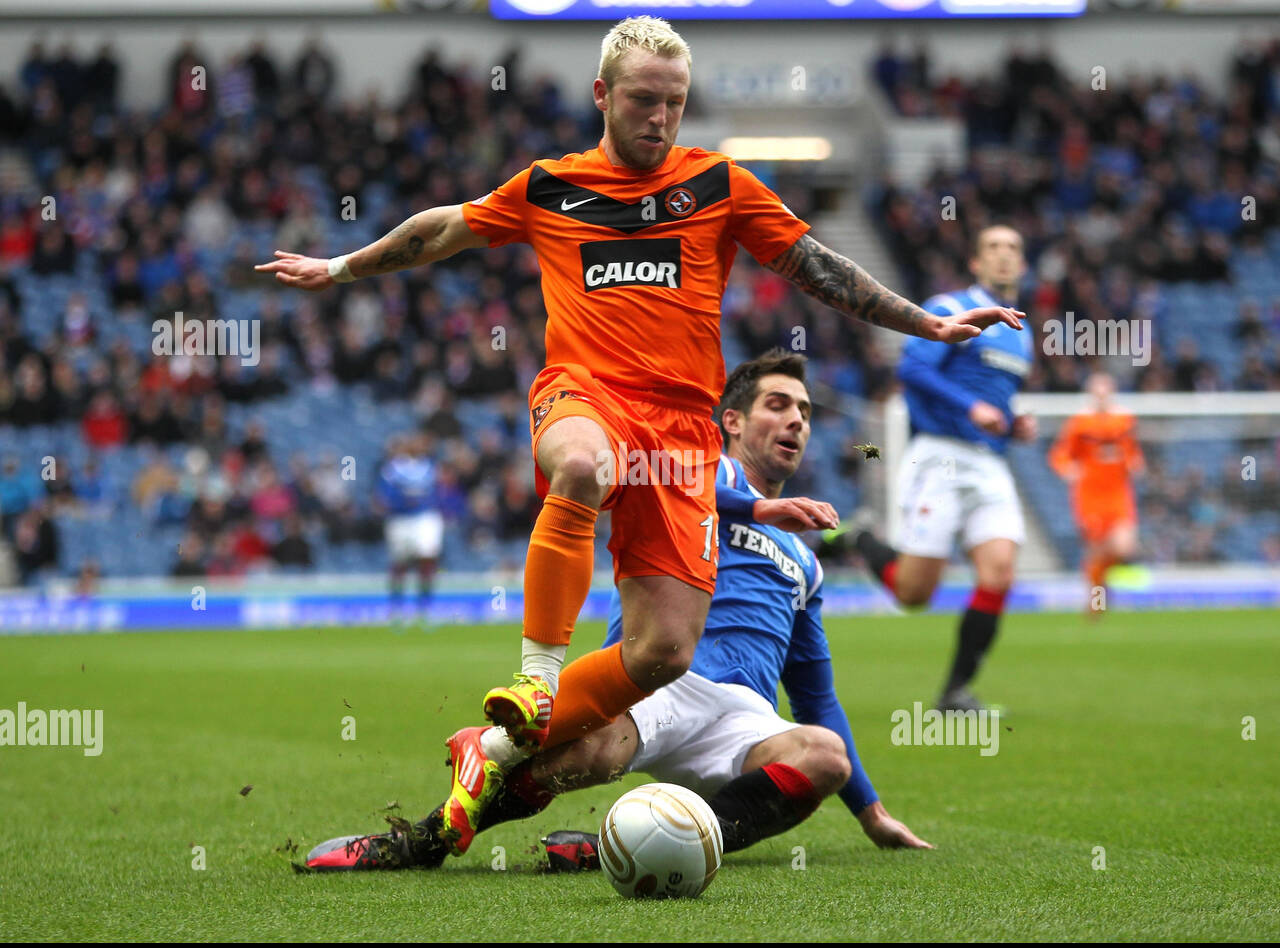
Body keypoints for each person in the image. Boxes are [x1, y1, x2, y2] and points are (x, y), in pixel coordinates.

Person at [257, 16, 1022, 857]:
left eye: (674, 103)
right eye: (642, 100)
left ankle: (498, 750)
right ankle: (538, 682)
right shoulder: (552, 186)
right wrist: (337, 268)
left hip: (684, 436)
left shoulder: (720, 185)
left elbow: (819, 267)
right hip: (585, 394)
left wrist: (929, 327)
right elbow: (441, 229)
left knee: (662, 651)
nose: (660, 118)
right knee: (581, 462)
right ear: (602, 95)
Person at [305, 352, 931, 872]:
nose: (796, 420)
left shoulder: (806, 558)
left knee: (822, 753)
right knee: (594, 754)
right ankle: (423, 840)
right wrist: (757, 508)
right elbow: (652, 474)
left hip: (741, 720)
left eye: (805, 412)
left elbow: (816, 695)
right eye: (778, 405)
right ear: (732, 420)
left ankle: (640, 843)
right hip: (661, 683)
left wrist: (871, 812)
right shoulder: (689, 466)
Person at [822, 225, 1036, 713]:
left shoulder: (1022, 335)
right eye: (993, 248)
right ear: (977, 264)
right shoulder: (950, 306)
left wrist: (1014, 423)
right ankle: (861, 538)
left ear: (1022, 265)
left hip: (990, 464)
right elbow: (912, 369)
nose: (1004, 256)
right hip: (939, 456)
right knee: (913, 593)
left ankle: (955, 692)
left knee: (999, 575)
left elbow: (996, 399)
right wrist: (969, 407)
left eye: (1013, 249)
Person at [1048, 372, 1143, 612]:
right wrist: (1067, 469)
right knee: (1096, 550)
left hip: (1118, 492)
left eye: (1105, 392)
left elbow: (1131, 450)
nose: (1101, 397)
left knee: (1124, 547)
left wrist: (1135, 462)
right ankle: (1097, 599)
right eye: (1097, 392)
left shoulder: (1125, 420)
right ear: (1090, 395)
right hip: (1089, 494)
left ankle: (1100, 581)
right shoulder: (1079, 423)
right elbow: (1060, 454)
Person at [375, 434, 443, 615]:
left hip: (424, 517)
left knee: (427, 557)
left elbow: (435, 493)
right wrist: (402, 501)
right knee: (400, 561)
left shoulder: (429, 466)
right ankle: (396, 606)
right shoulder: (393, 468)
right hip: (400, 518)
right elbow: (384, 496)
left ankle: (424, 606)